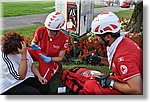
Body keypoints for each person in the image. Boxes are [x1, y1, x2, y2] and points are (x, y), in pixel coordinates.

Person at [84, 11, 143, 95]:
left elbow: (137, 89)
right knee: (92, 78)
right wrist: (99, 60)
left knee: (89, 85)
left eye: (97, 35)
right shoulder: (122, 42)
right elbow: (117, 64)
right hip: (123, 79)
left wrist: (111, 83)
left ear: (108, 37)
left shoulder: (123, 57)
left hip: (130, 88)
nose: (95, 38)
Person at [28, 11, 69, 81]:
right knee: (23, 51)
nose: (50, 33)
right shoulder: (41, 30)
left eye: (53, 31)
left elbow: (60, 57)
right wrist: (33, 45)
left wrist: (50, 59)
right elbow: (34, 41)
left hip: (49, 59)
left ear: (59, 30)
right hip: (39, 52)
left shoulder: (64, 38)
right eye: (48, 29)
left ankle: (55, 66)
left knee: (44, 78)